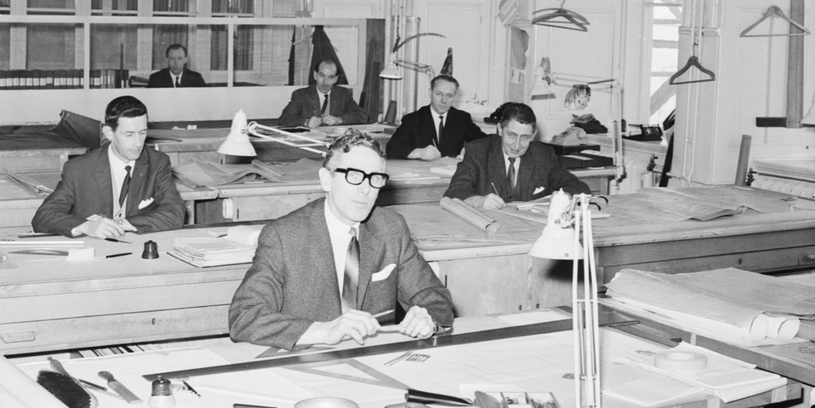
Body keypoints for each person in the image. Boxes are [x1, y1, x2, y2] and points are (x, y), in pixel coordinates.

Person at [229, 129, 453, 349]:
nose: (365, 189)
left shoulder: (391, 228)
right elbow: (244, 317)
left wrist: (426, 318)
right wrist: (324, 331)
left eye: (375, 178)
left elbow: (435, 297)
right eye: (354, 175)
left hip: (373, 356)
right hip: (307, 359)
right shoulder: (283, 236)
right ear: (326, 180)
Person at [32, 94, 185, 238]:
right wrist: (85, 226)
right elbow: (43, 217)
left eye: (142, 133)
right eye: (129, 134)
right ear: (109, 133)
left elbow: (175, 214)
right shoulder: (79, 168)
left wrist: (119, 224)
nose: (138, 143)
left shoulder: (157, 163)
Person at [445, 101, 592, 210]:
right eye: (511, 135)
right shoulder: (478, 151)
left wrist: (564, 196)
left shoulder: (543, 156)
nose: (517, 145)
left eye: (525, 137)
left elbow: (579, 187)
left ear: (533, 135)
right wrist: (479, 201)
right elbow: (454, 192)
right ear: (500, 129)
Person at [385, 74, 486, 161]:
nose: (444, 101)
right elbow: (391, 148)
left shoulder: (462, 119)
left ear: (455, 97)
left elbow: (485, 141)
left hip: (451, 174)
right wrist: (419, 152)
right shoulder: (413, 120)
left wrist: (471, 151)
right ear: (430, 93)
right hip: (422, 174)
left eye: (449, 96)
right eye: (438, 94)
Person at [277, 59, 368, 128]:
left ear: (335, 79)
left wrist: (339, 119)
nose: (325, 82)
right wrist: (305, 122)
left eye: (331, 77)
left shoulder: (343, 94)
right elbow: (284, 118)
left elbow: (362, 116)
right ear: (315, 75)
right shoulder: (301, 95)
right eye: (322, 75)